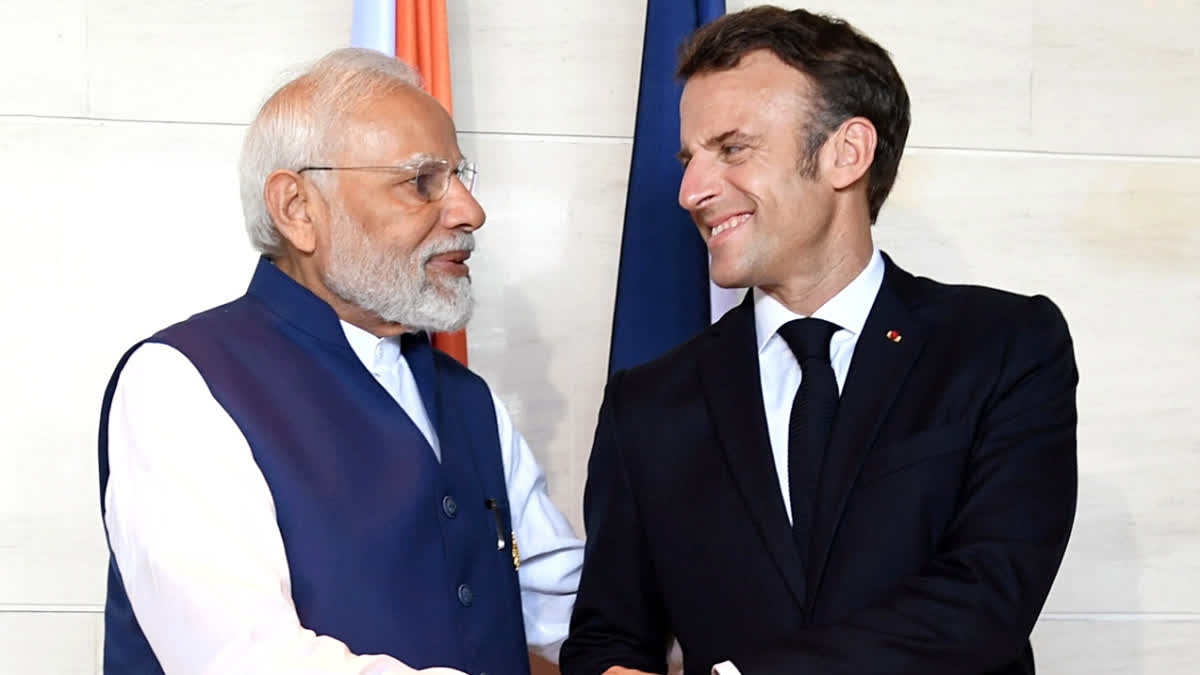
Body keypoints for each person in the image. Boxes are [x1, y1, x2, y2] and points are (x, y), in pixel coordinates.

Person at [561, 6, 1077, 675]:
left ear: (847, 153)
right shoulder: (647, 402)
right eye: (690, 158)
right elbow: (608, 637)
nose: (690, 190)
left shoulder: (1003, 347)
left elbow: (988, 598)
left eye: (732, 148)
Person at [97, 47, 583, 675]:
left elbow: (568, 606)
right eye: (422, 181)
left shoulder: (468, 398)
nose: (470, 212)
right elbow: (245, 659)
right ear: (298, 208)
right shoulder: (181, 382)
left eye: (461, 177)